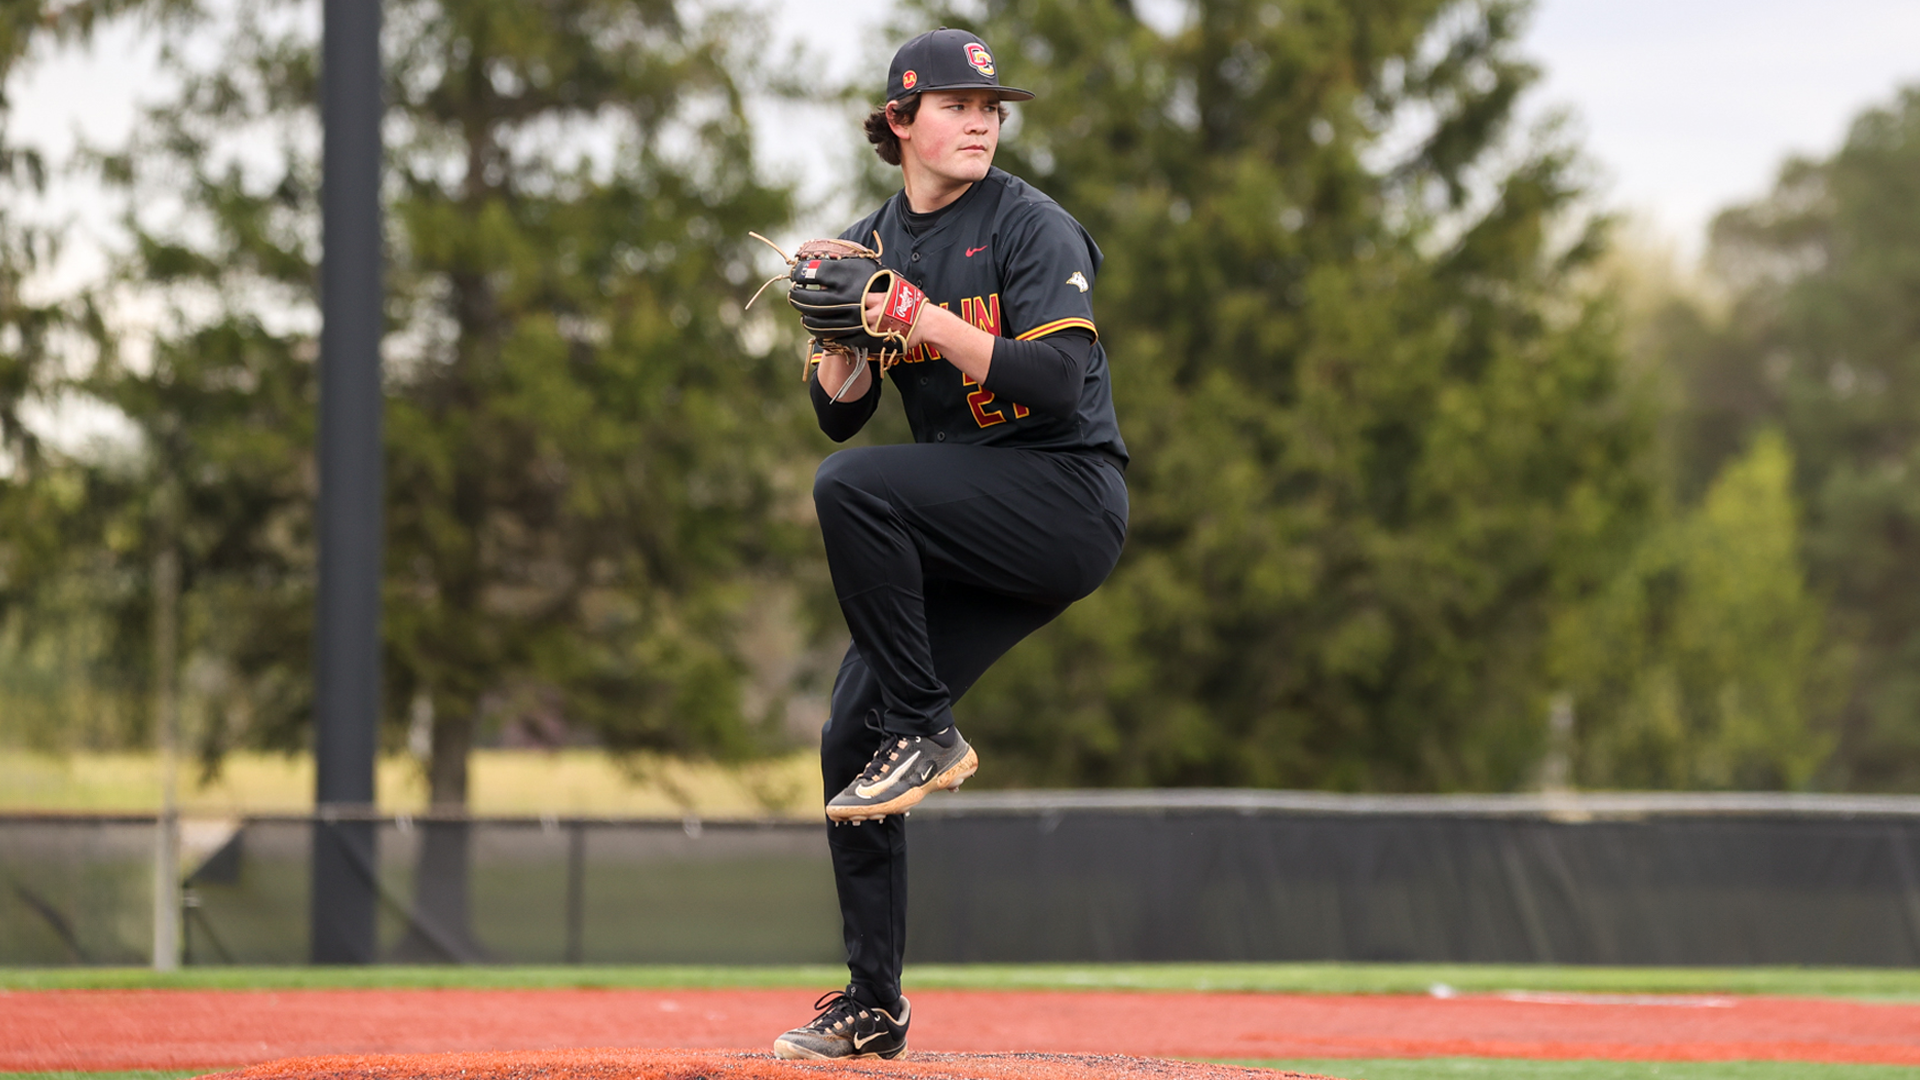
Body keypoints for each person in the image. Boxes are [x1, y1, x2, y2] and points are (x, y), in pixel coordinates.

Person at [769, 27, 1130, 1061]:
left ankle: (930, 729)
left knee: (852, 494)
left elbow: (1057, 384)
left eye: (991, 109)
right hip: (972, 518)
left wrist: (921, 322)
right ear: (899, 122)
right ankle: (873, 1003)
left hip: (1065, 497)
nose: (980, 122)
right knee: (849, 730)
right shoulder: (868, 241)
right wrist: (840, 347)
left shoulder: (1031, 226)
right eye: (957, 106)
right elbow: (841, 414)